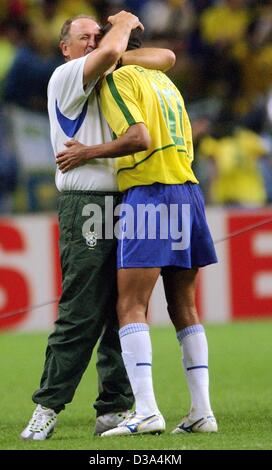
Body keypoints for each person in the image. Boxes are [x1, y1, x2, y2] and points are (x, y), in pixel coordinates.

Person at [20, 12, 176, 441]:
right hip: (86, 202)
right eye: (83, 37)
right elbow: (111, 51)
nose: (93, 42)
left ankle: (114, 406)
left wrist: (119, 49)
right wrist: (123, 22)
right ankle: (47, 405)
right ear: (65, 48)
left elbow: (166, 56)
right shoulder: (65, 77)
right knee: (81, 310)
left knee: (125, 310)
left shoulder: (112, 71)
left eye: (97, 35)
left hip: (128, 198)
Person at [55, 33, 218, 436]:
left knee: (130, 305)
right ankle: (202, 411)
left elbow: (138, 137)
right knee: (184, 307)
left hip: (150, 193)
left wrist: (86, 152)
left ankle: (145, 410)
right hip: (188, 191)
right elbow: (168, 55)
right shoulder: (163, 80)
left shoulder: (118, 81)